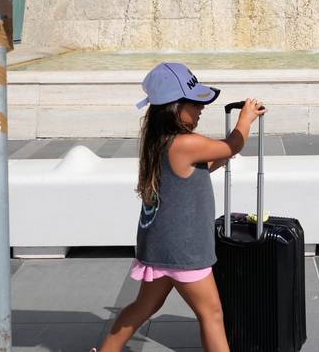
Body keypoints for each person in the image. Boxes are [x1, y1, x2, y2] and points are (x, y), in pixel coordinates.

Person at [98, 62, 265, 352]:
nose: (201, 109)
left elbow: (188, 176)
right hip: (183, 250)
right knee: (211, 314)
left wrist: (218, 159)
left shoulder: (160, 141)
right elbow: (233, 144)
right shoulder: (188, 143)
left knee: (142, 307)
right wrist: (246, 118)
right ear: (175, 107)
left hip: (158, 247)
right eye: (194, 103)